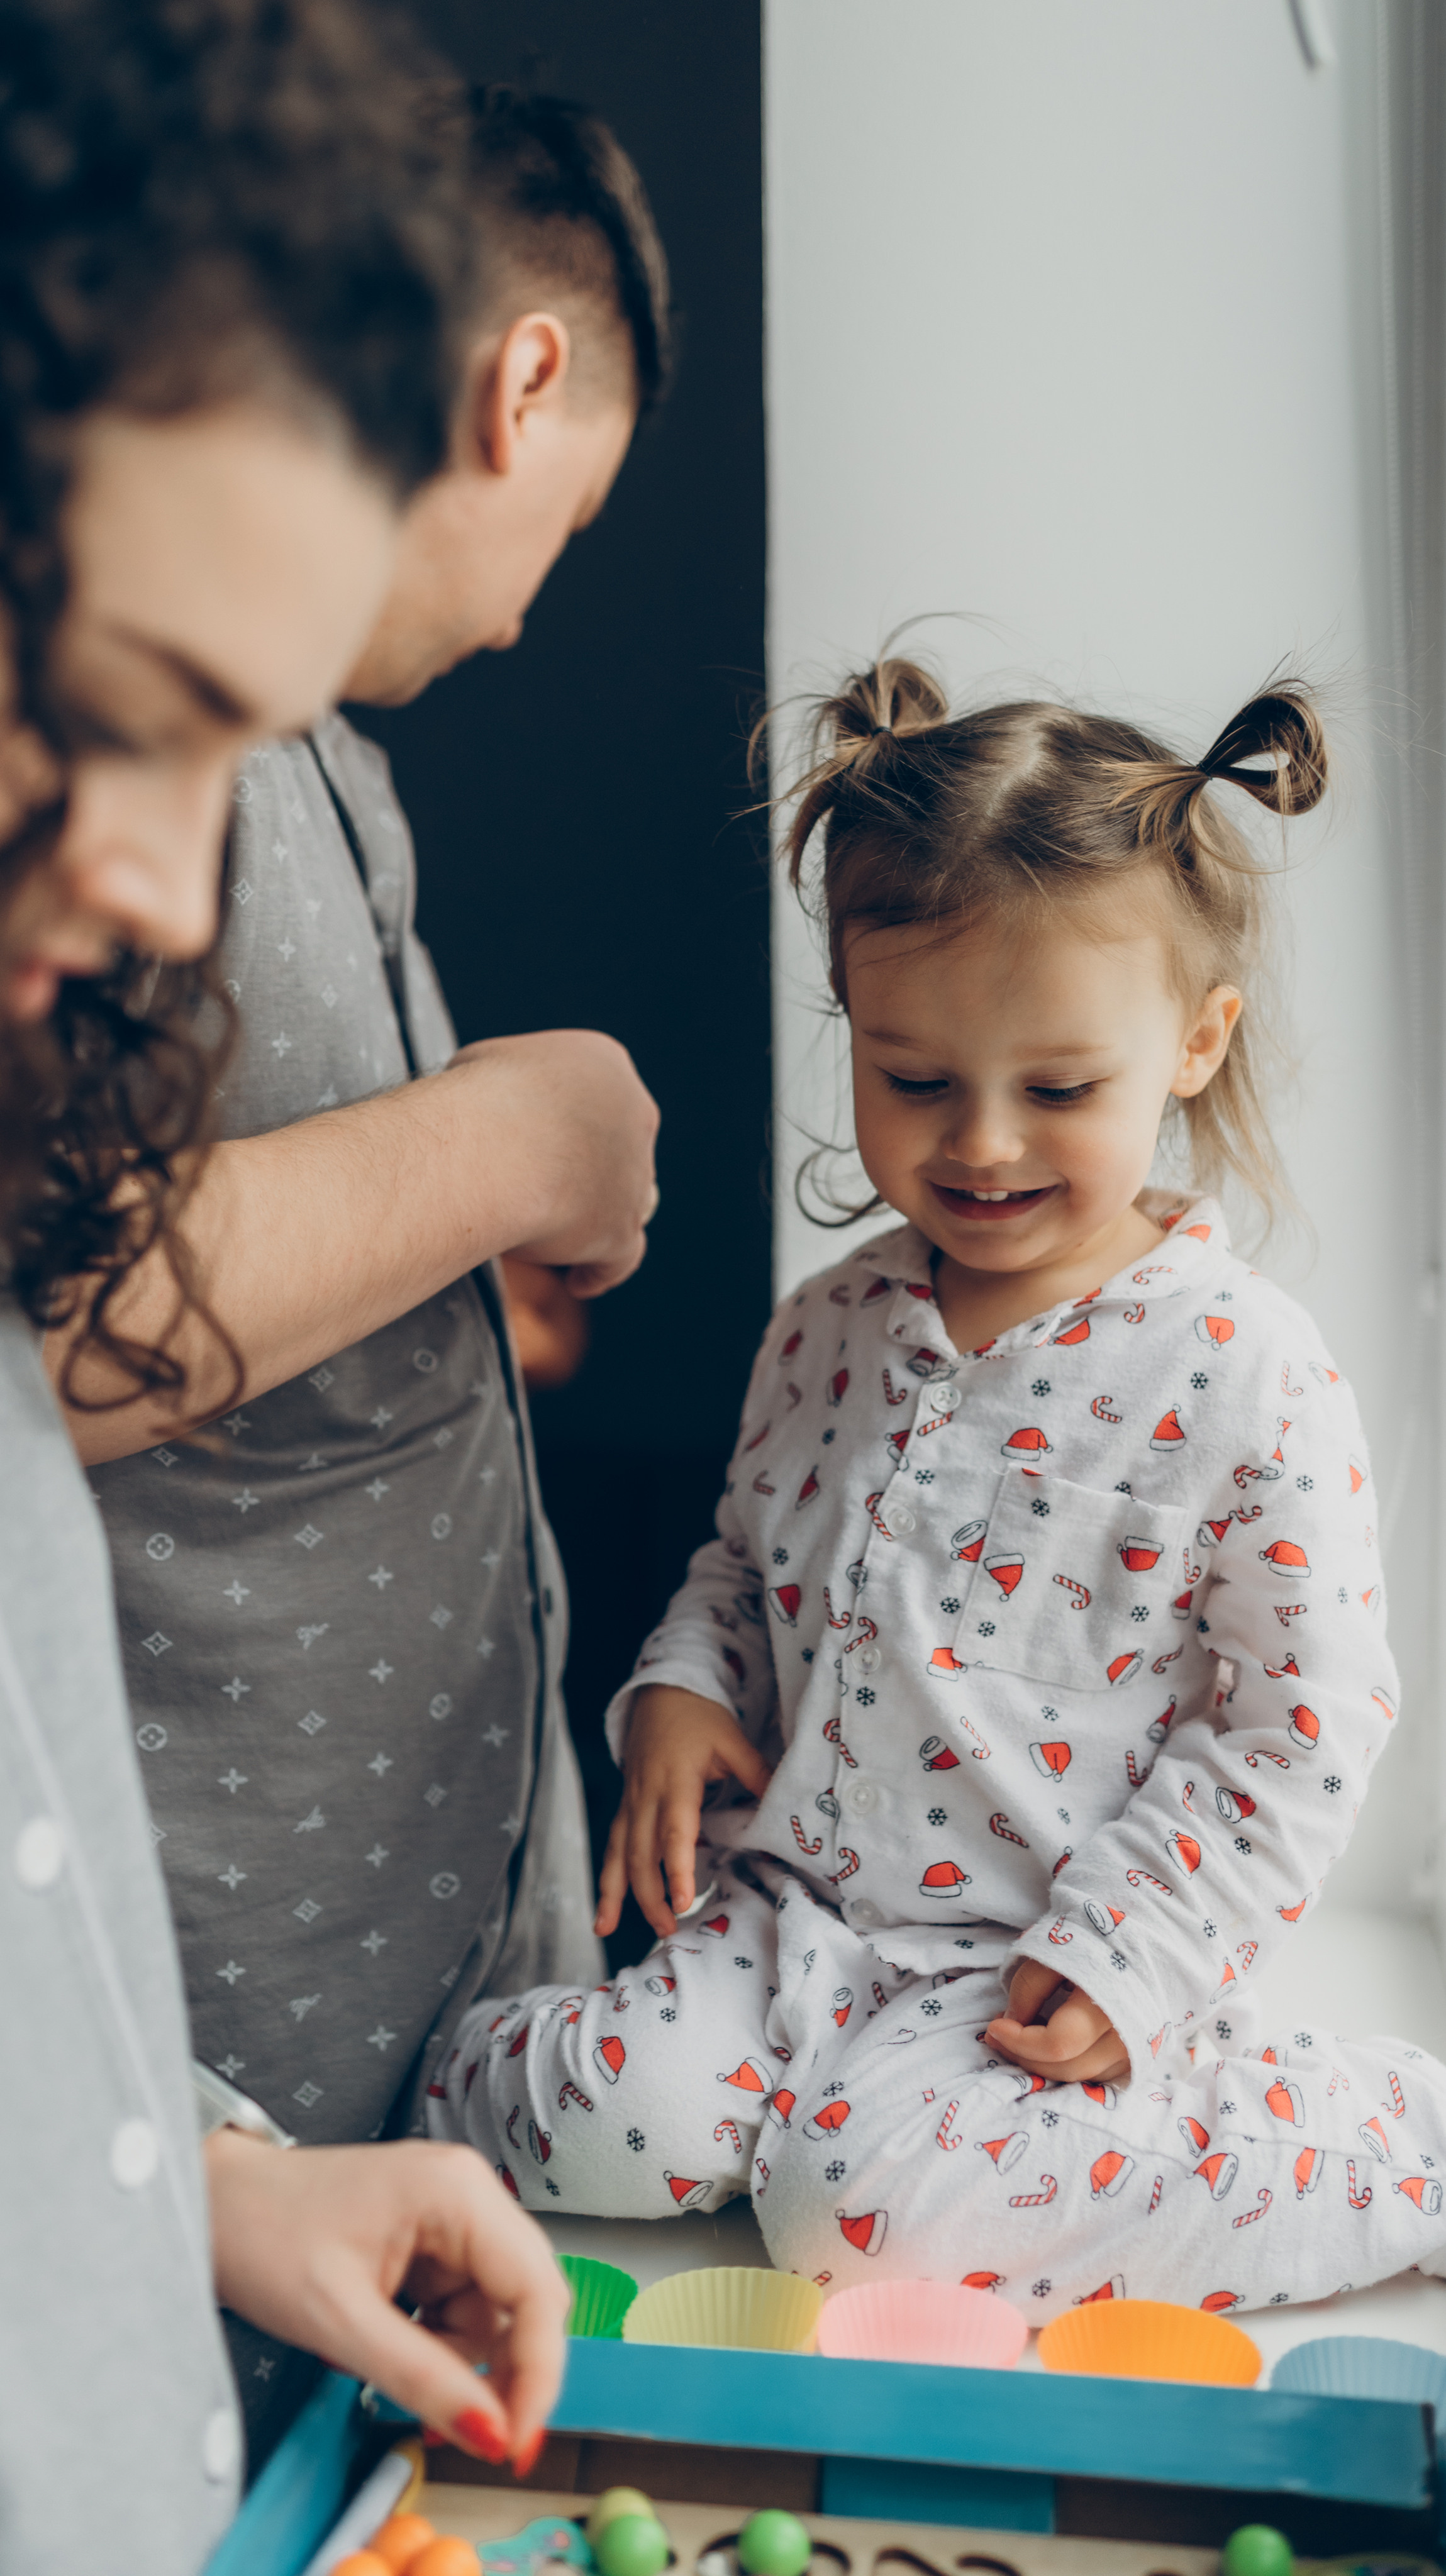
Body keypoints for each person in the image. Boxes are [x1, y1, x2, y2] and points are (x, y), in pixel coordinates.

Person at [429, 652, 1446, 2316]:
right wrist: (681, 1688)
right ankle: (334, 2137)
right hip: (786, 1924)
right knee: (593, 2122)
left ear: (1192, 1045)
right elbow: (741, 1563)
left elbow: (1300, 1721)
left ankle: (1384, 2144)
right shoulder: (826, 1328)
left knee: (859, 2219)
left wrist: (1132, 1954)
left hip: (1029, 1963)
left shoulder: (1242, 1370)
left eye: (1055, 1091)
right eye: (913, 1080)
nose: (977, 1145)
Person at [47, 82, 667, 2457]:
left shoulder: (332, 759)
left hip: (330, 2100)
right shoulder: (144, 713)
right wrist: (506, 1137)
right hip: (192, 2057)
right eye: (570, 518)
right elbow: (66, 1322)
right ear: (520, 384)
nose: (530, 606)